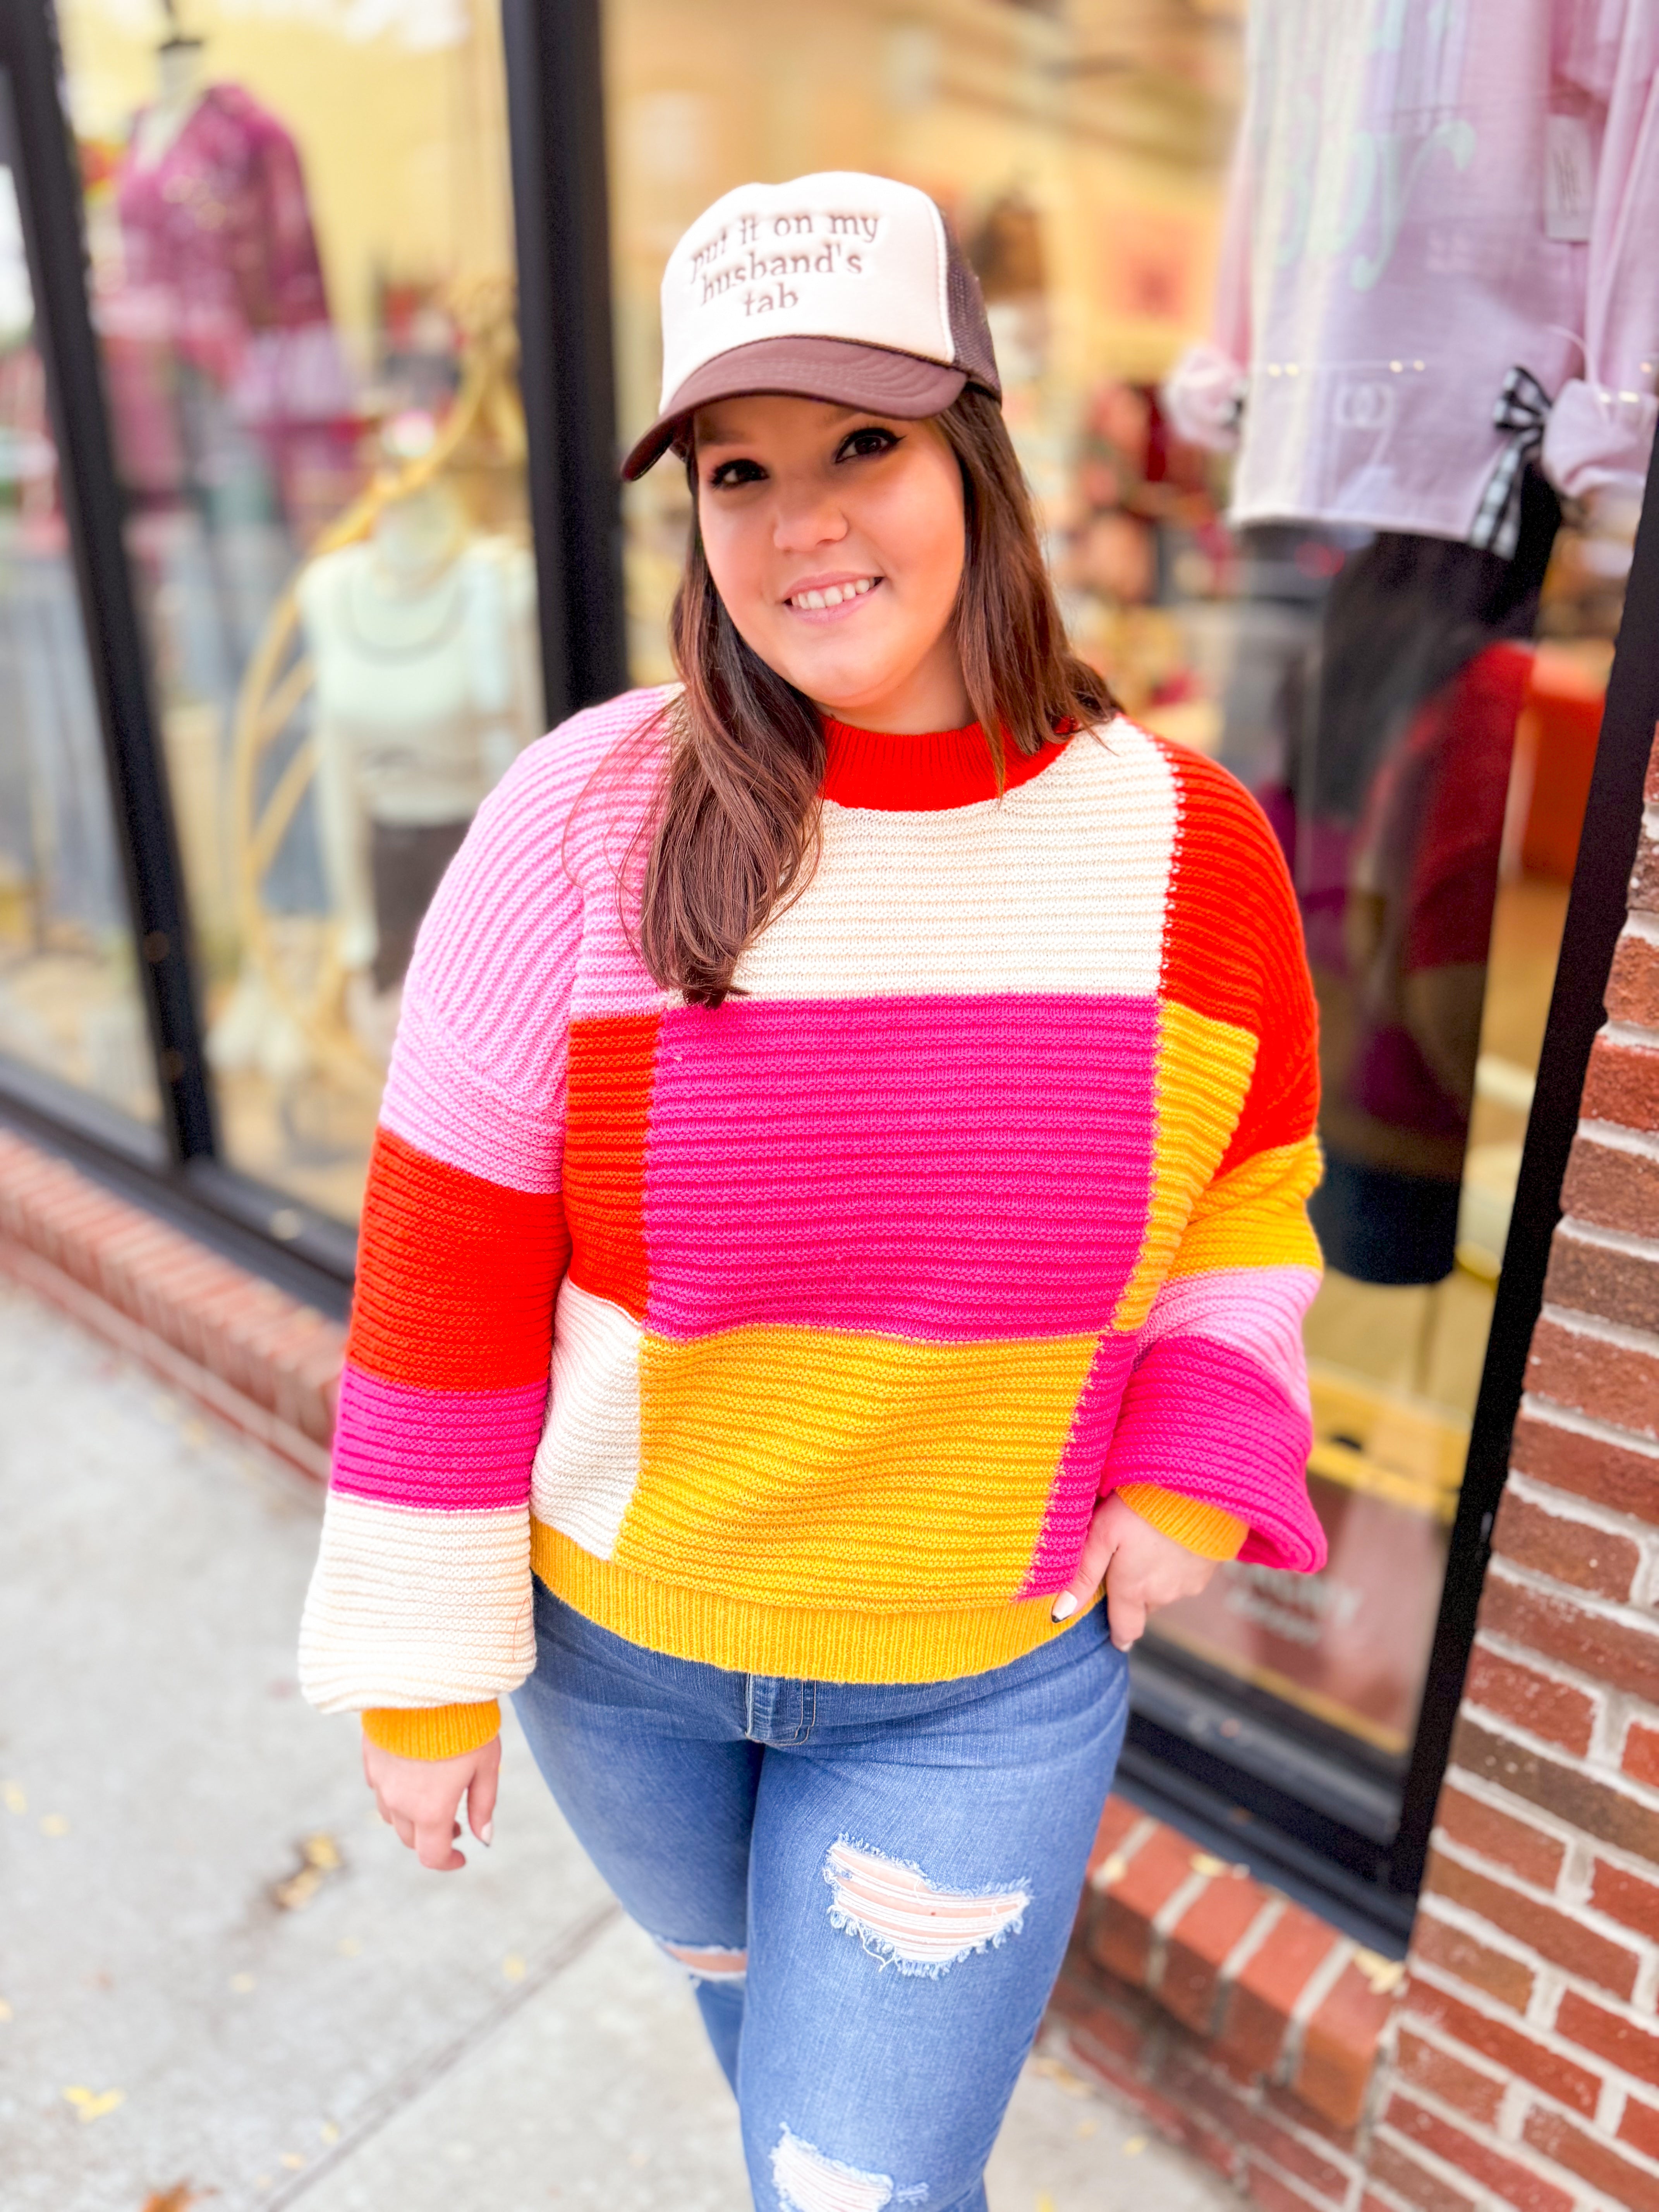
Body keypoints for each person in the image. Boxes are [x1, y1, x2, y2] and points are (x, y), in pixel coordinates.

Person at [299, 172, 1326, 2210]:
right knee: (780, 2089)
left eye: (865, 442)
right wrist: (421, 1671)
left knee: (858, 2182)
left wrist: (1196, 1469)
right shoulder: (585, 818)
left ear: (979, 446)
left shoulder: (1185, 851)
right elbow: (443, 1278)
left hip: (977, 1680)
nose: (805, 522)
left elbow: (1249, 1198)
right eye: (740, 470)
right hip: (628, 1672)